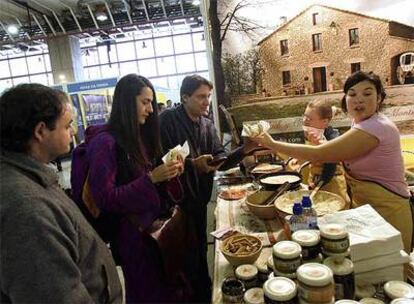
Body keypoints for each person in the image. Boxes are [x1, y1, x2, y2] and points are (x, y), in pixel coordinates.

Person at [251, 71, 413, 253]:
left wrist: (272, 143)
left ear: (380, 99)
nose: (359, 100)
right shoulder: (359, 124)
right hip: (365, 210)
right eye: (352, 94)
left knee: (386, 269)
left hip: (388, 212)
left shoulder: (377, 127)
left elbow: (321, 154)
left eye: (367, 94)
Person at [0, 84, 122, 303]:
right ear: (40, 131)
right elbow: (54, 293)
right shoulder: (26, 210)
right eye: (67, 126)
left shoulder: (32, 178)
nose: (74, 131)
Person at [71, 74, 187, 303]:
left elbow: (145, 179)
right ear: (126, 102)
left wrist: (168, 173)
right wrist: (151, 179)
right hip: (133, 239)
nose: (151, 109)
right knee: (145, 293)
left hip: (153, 232)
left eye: (151, 103)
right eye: (145, 102)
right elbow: (105, 197)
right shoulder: (106, 143)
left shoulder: (137, 137)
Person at [159, 74, 258, 302]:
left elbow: (220, 159)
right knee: (182, 258)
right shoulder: (167, 122)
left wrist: (245, 149)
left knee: (200, 251)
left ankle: (203, 294)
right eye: (201, 97)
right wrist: (194, 165)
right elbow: (160, 163)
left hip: (198, 200)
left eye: (208, 96)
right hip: (174, 205)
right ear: (184, 97)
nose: (206, 101)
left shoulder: (207, 124)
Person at [301, 99, 348, 203]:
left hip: (332, 183)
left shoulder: (332, 138)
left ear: (325, 122)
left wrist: (318, 182)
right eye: (304, 116)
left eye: (309, 118)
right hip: (315, 179)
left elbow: (330, 167)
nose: (305, 120)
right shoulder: (312, 132)